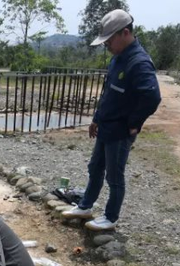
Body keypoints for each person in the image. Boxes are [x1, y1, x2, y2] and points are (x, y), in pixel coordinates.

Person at [62, 9, 162, 230]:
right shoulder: (117, 59)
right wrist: (97, 118)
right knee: (95, 167)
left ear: (125, 33)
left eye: (109, 41)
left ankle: (110, 217)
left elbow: (152, 98)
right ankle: (86, 205)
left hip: (120, 131)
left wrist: (133, 124)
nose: (106, 46)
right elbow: (109, 94)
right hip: (106, 126)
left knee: (114, 176)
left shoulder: (139, 62)